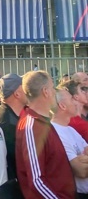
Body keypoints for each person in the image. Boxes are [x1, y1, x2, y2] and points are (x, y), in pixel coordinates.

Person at [16, 70, 76, 198]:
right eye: (53, 88)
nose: (55, 92)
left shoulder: (41, 122)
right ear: (46, 91)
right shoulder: (32, 125)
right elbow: (37, 181)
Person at [52, 81, 88, 198]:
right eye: (72, 99)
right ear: (62, 106)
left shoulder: (70, 130)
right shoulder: (56, 133)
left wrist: (83, 159)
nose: (75, 101)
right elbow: (81, 171)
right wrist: (80, 159)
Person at [0, 73, 28, 179]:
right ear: (17, 94)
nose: (28, 90)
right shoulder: (6, 121)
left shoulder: (6, 113)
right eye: (24, 87)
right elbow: (14, 159)